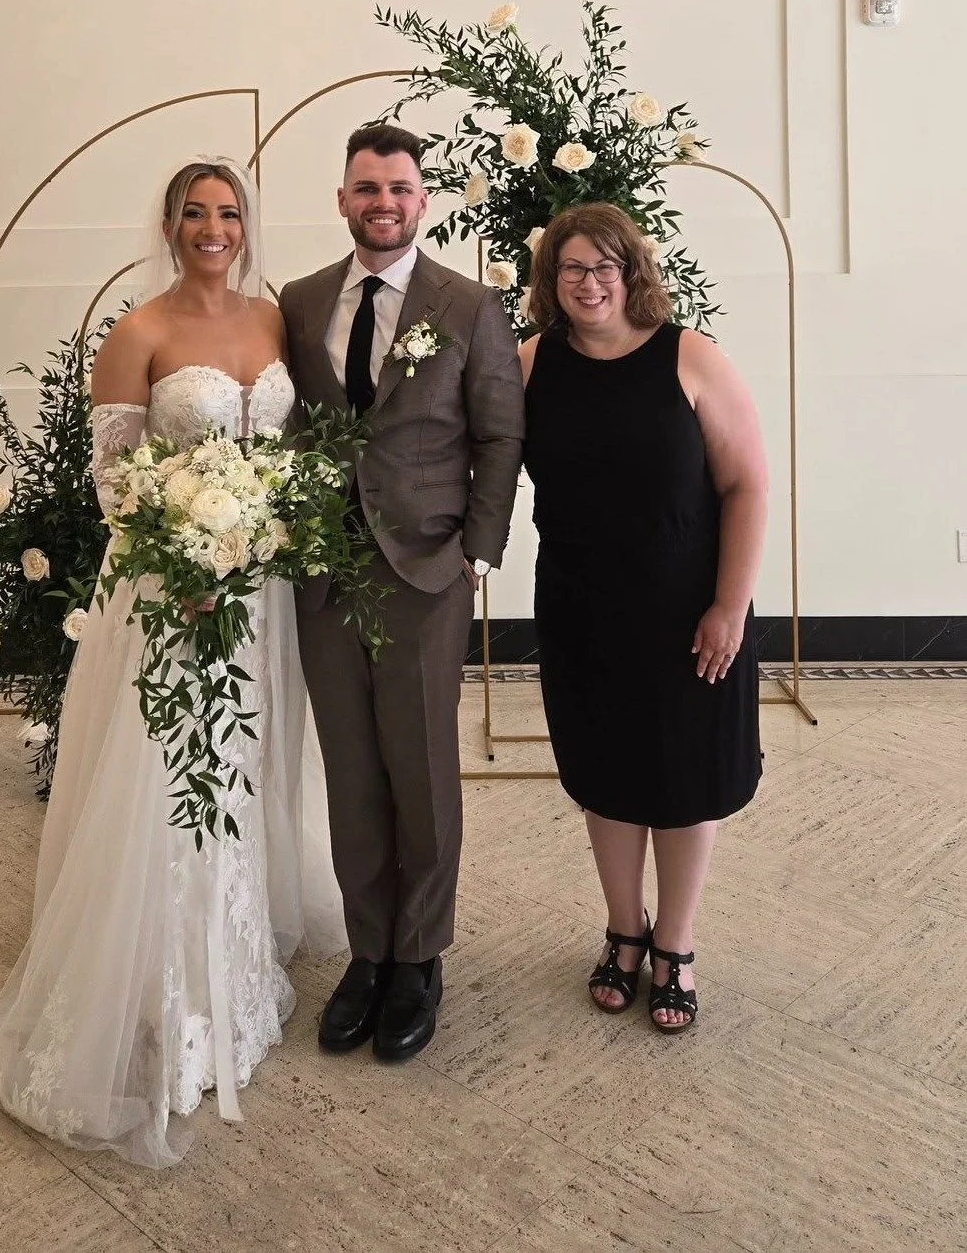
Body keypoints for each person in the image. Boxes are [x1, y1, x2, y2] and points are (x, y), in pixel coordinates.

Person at [0, 158, 345, 1167]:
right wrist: (184, 557)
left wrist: (267, 529)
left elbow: (290, 452)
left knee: (249, 755)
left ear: (245, 224)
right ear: (171, 225)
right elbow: (114, 482)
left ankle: (239, 943)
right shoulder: (136, 333)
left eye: (227, 211)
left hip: (261, 587)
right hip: (171, 590)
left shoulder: (274, 321)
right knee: (174, 768)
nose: (212, 227)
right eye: (195, 212)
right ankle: (165, 975)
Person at [278, 125, 524, 1062]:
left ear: (423, 201)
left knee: (420, 769)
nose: (383, 202)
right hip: (324, 572)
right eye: (366, 187)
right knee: (351, 772)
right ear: (342, 200)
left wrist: (479, 552)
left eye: (399, 188)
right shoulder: (301, 301)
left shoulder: (469, 303)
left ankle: (419, 957)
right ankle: (369, 951)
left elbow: (500, 434)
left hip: (426, 569)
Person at [519, 202, 768, 1033]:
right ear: (551, 280)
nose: (589, 282)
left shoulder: (690, 357)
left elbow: (748, 486)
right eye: (572, 267)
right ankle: (625, 931)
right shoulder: (530, 363)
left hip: (687, 610)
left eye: (605, 266)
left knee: (686, 779)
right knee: (607, 775)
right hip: (581, 609)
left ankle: (676, 943)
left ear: (633, 273)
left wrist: (729, 607)